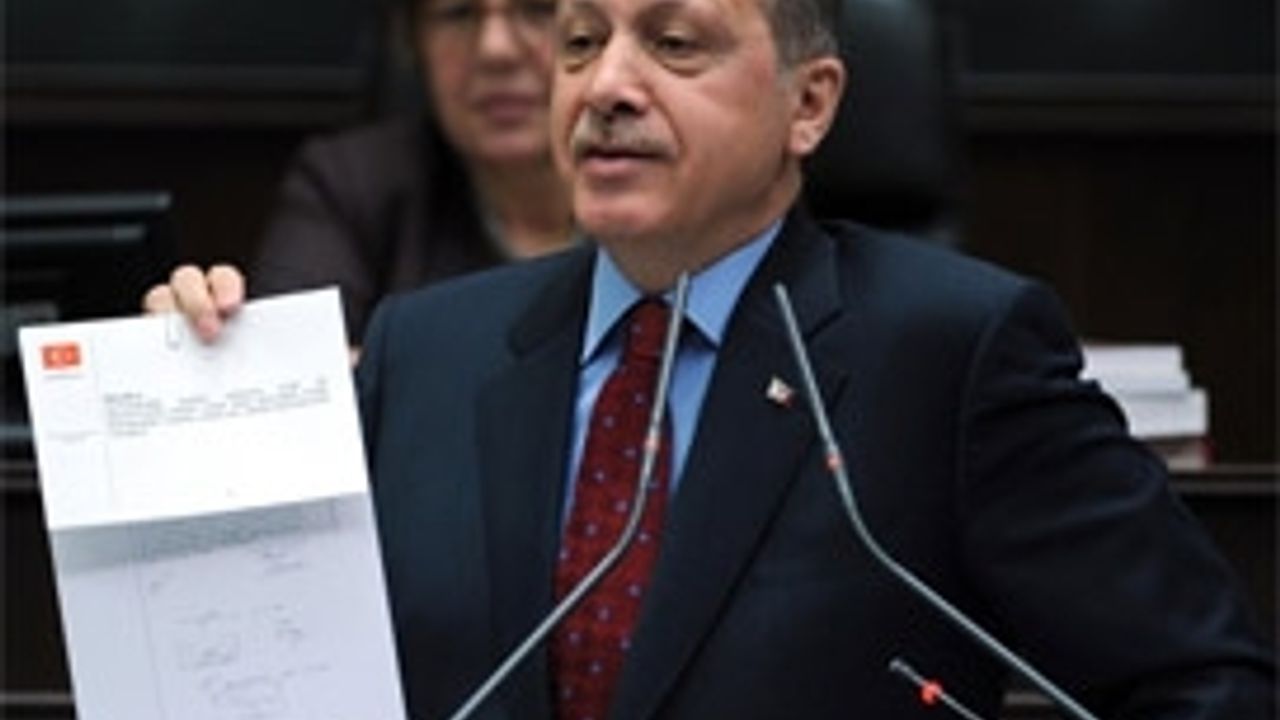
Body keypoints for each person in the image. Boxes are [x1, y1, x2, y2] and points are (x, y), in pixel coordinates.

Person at [146, 0, 1275, 718]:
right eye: (579, 44)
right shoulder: (424, 349)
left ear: (808, 105)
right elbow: (248, 669)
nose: (605, 86)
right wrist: (194, 393)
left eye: (674, 44)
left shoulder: (949, 351)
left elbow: (1203, 685)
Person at [242, 0, 574, 346]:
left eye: (539, 9)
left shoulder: (616, 211)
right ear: (413, 42)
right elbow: (289, 359)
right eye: (458, 13)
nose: (495, 49)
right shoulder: (354, 181)